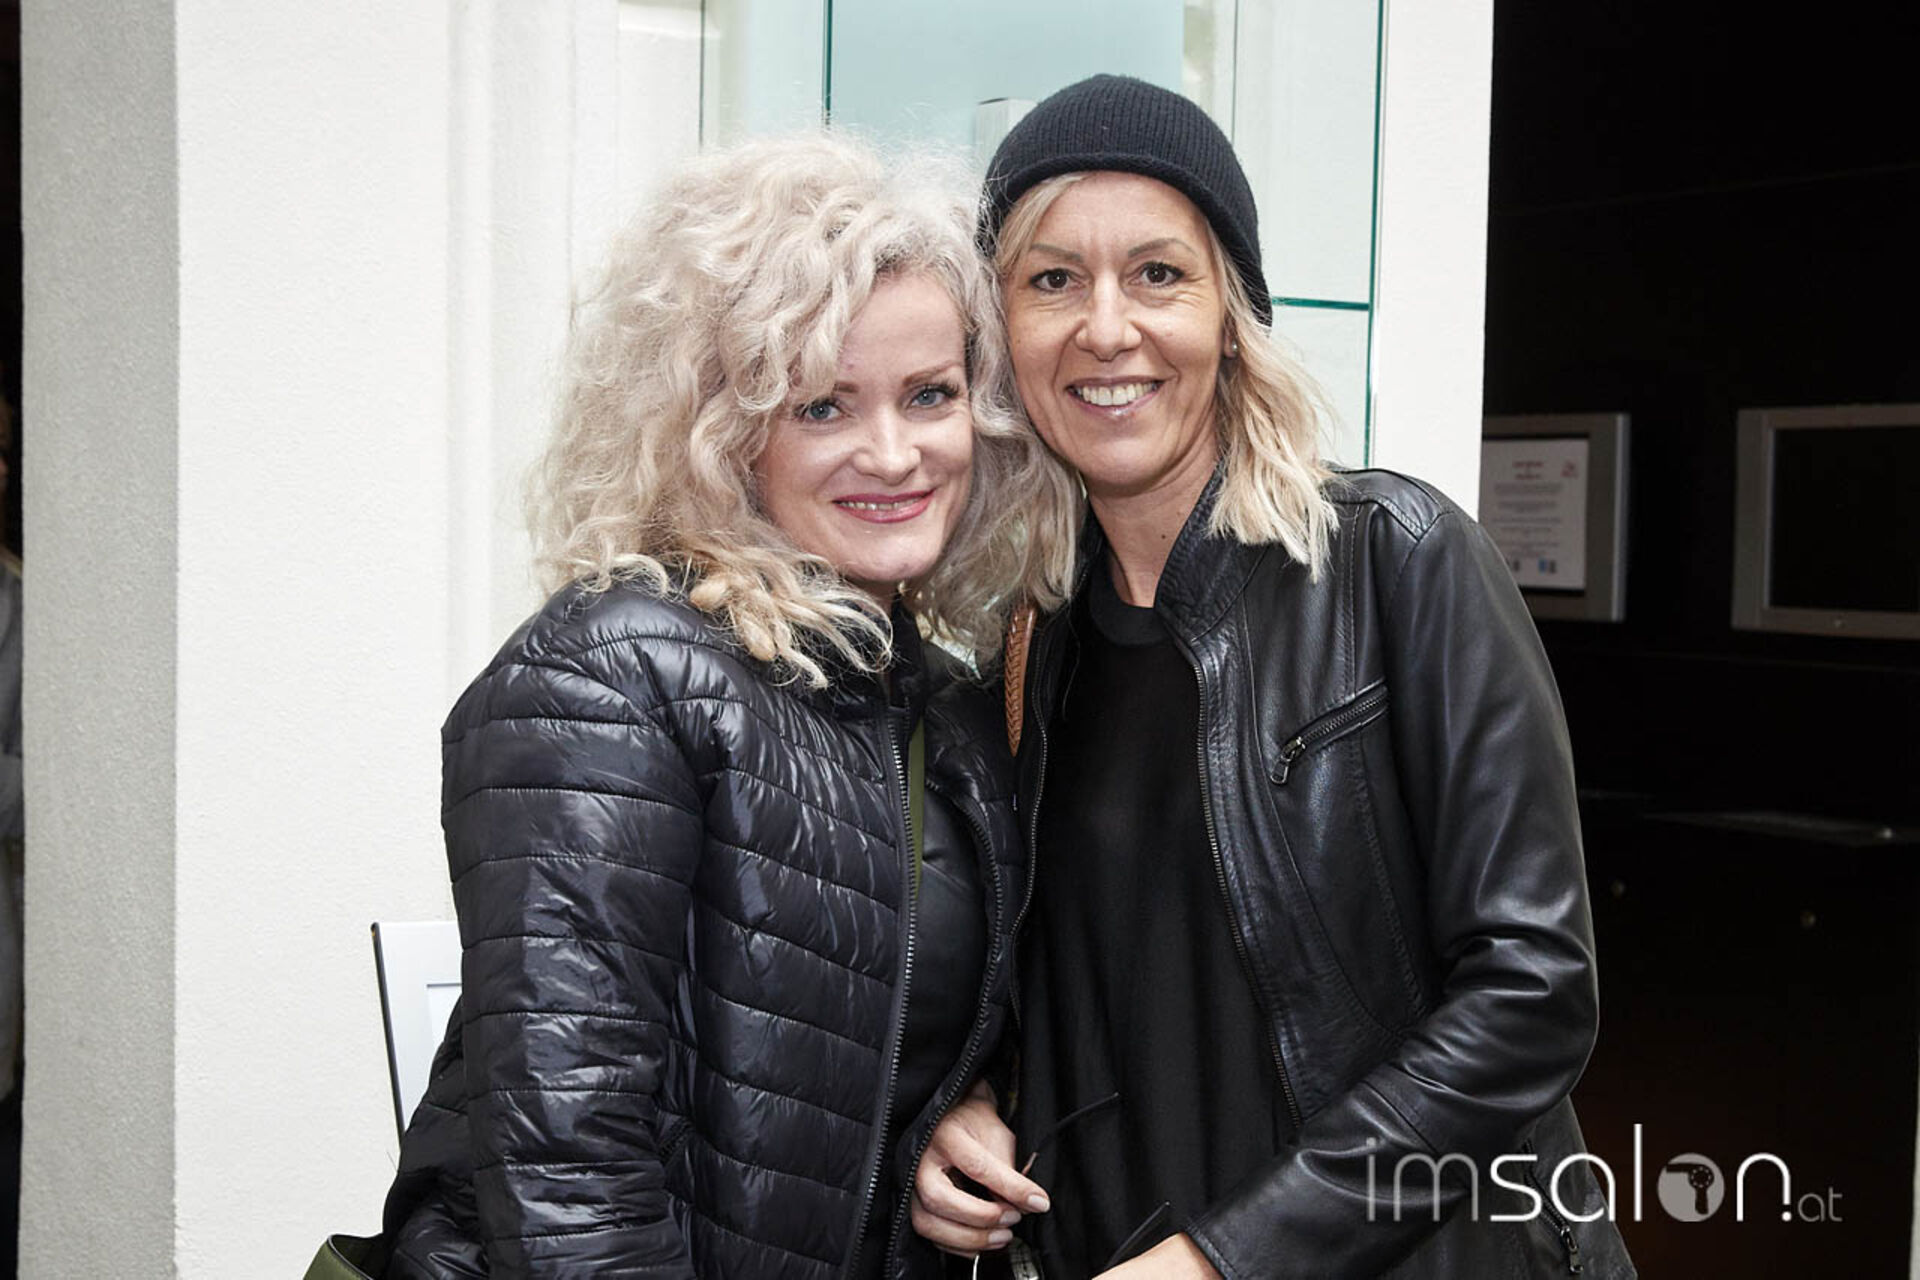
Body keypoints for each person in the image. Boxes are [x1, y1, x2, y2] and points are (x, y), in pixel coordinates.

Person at [909, 75, 1636, 1278]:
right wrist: (970, 1103)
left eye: (1158, 273)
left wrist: (1225, 1257)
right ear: (1002, 334)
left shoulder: (1395, 564)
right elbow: (1061, 989)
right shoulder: (1026, 647)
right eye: (1053, 279)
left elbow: (1533, 994)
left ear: (1232, 315)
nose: (1106, 327)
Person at [373, 133, 1077, 1279]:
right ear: (719, 429)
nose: (894, 451)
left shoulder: (935, 700)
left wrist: (953, 1106)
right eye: (823, 406)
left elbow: (869, 1037)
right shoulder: (614, 674)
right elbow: (566, 1173)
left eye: (930, 394)